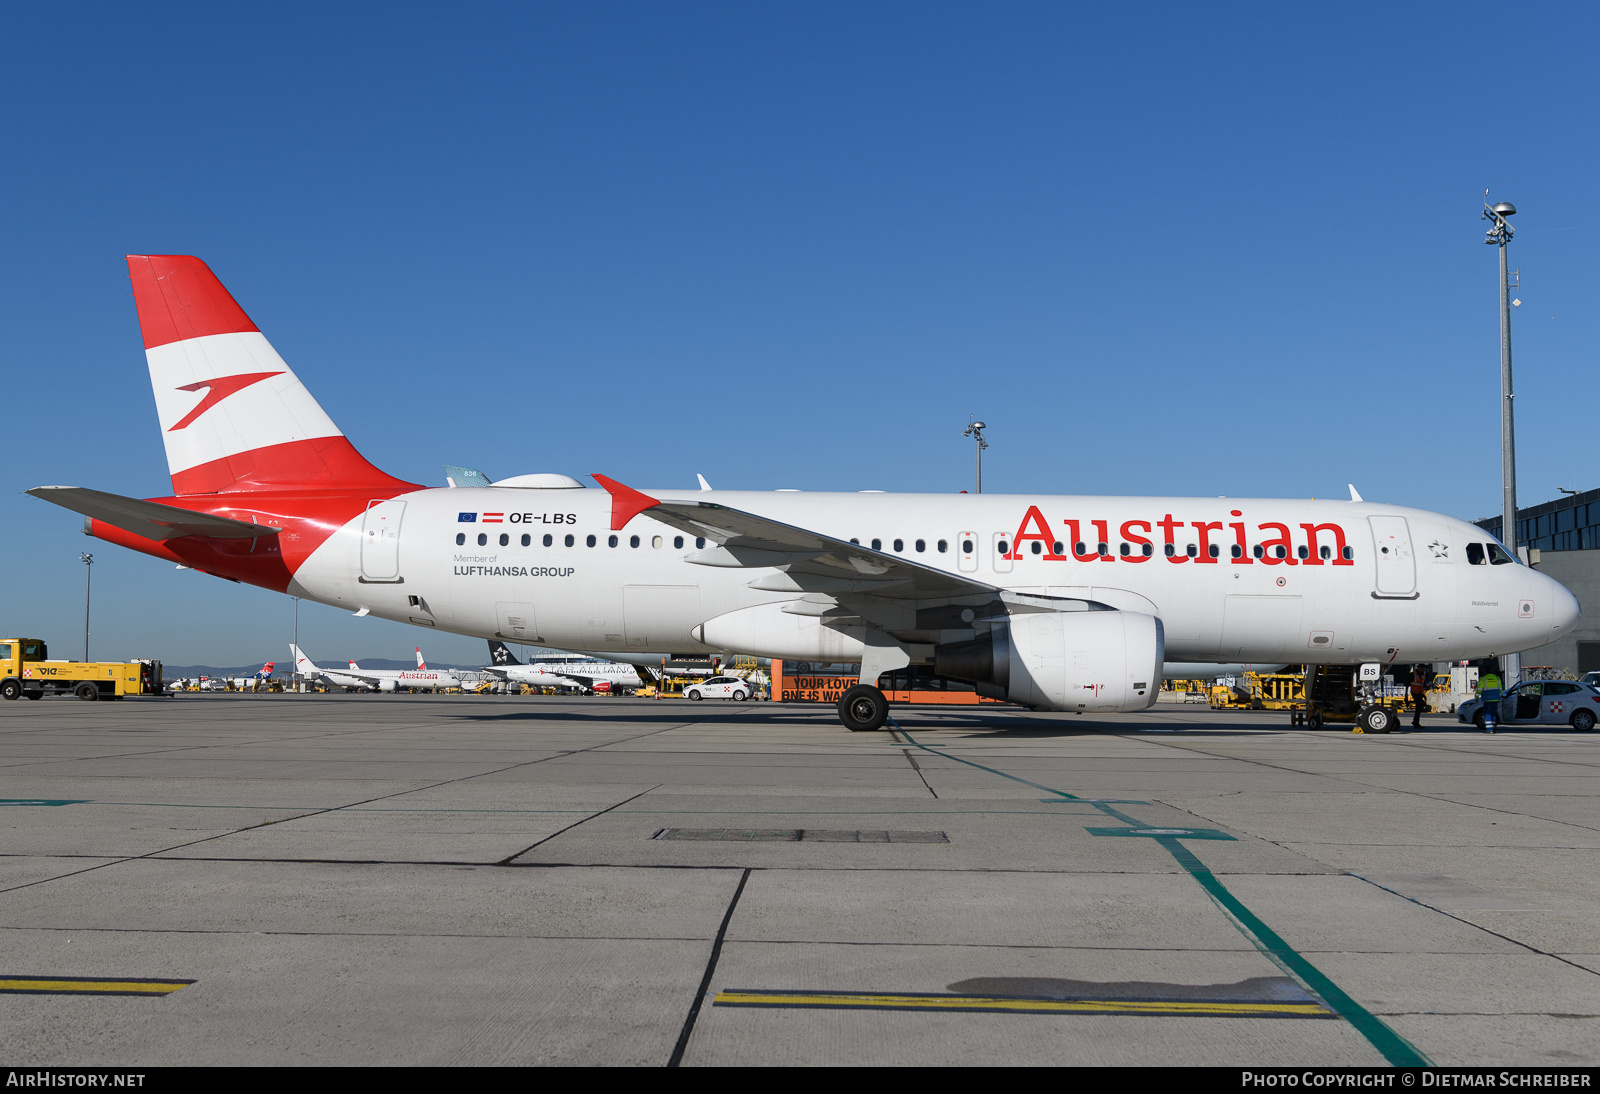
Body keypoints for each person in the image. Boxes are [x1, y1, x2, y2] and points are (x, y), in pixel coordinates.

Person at [1477, 665, 1502, 733]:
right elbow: (1501, 689)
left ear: (1485, 671)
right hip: (1496, 699)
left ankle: (1489, 729)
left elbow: (1479, 690)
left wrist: (1476, 697)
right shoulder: (1497, 678)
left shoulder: (1483, 679)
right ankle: (1493, 728)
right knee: (1494, 713)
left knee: (1488, 714)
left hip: (1487, 699)